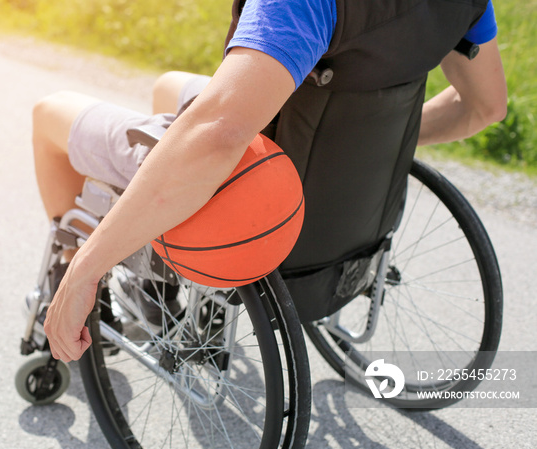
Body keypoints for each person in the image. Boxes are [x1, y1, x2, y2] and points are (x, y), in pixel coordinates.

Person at [35, 0, 507, 363]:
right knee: (170, 84)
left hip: (257, 205)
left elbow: (217, 138)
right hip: (344, 218)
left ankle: (68, 271)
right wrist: (369, 139)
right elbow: (485, 108)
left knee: (48, 113)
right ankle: (158, 289)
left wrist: (86, 272)